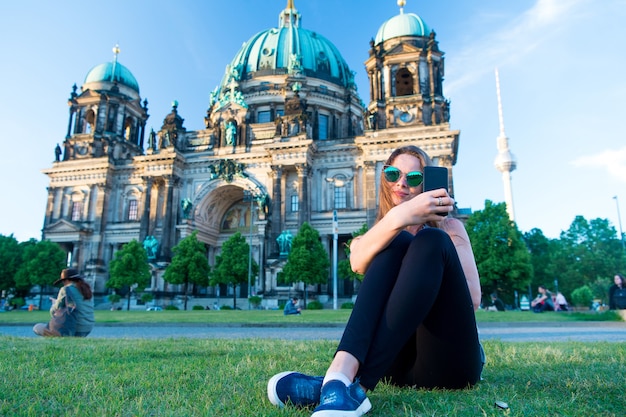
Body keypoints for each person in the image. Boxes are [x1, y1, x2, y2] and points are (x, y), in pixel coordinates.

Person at [267, 145, 483, 416]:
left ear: (425, 185)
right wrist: (397, 219)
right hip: (394, 368)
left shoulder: (452, 230)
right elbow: (357, 262)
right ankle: (338, 377)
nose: (401, 183)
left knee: (430, 239)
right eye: (394, 174)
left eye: (414, 178)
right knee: (396, 239)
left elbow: (472, 301)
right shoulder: (383, 229)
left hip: (448, 363)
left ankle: (352, 388)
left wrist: (424, 230)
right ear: (384, 177)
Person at [33, 268, 95, 337]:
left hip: (73, 329)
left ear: (67, 280)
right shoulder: (88, 290)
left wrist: (54, 304)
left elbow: (53, 312)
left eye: (63, 281)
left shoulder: (65, 289)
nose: (63, 284)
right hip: (87, 329)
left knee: (37, 327)